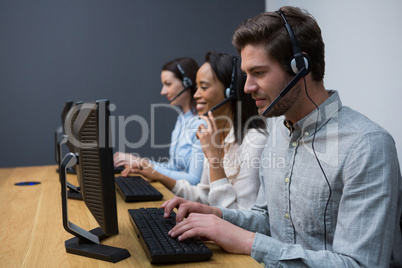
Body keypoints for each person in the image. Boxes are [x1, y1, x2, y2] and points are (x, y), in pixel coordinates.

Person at [162, 6, 402, 267]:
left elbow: (360, 264)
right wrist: (217, 215)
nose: (247, 87)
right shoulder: (278, 132)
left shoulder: (366, 146)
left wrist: (247, 241)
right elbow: (267, 220)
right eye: (246, 74)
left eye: (259, 73)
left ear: (301, 66)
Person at [124, 51, 267, 209]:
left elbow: (244, 218)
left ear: (230, 92)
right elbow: (204, 196)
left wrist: (213, 158)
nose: (196, 94)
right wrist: (160, 178)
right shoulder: (214, 136)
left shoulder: (254, 142)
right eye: (197, 87)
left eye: (203, 87)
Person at [114, 57, 204, 185]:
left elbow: (195, 181)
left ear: (187, 83)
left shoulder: (201, 124)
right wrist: (140, 164)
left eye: (168, 84)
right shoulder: (182, 119)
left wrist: (144, 164)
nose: (163, 91)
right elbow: (174, 168)